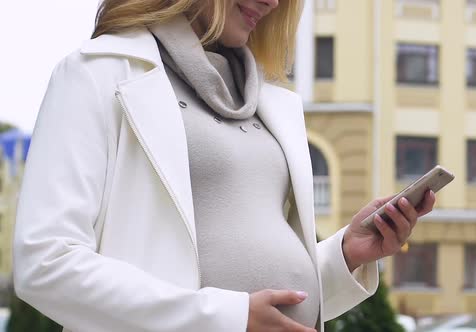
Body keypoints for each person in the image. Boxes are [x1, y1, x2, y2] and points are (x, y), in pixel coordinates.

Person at [12, 0, 436, 331]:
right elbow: (46, 263)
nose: (272, 3)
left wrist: (344, 256)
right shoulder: (97, 73)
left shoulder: (272, 103)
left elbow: (261, 286)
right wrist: (226, 319)